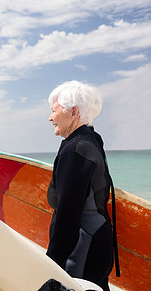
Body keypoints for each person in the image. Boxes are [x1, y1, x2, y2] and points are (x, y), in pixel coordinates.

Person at [45, 81, 120, 291]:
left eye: (53, 111)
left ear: (73, 112)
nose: (50, 118)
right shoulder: (91, 139)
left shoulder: (75, 149)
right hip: (97, 240)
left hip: (83, 248)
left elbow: (68, 214)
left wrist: (51, 264)